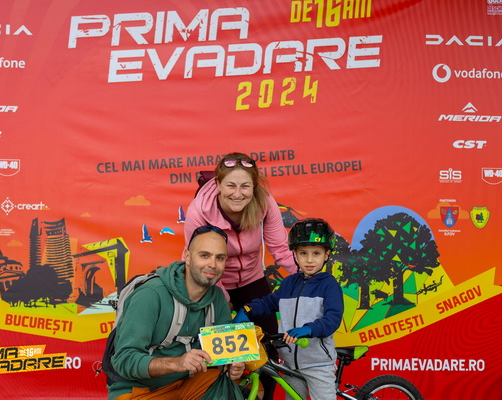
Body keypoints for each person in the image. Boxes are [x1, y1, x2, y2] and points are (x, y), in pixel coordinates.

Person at [184, 152, 297, 399]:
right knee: (219, 356)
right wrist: (223, 300)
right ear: (218, 184)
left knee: (266, 349)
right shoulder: (199, 211)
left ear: (254, 186)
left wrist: (310, 279)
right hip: (214, 283)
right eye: (231, 186)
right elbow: (201, 263)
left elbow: (280, 249)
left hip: (252, 280)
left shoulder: (264, 202)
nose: (238, 194)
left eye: (245, 186)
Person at [109, 225, 245, 400]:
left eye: (220, 258)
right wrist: (177, 363)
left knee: (244, 389)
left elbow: (225, 356)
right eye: (204, 255)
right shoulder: (150, 294)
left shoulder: (218, 298)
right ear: (187, 257)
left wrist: (233, 366)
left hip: (189, 382)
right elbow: (124, 360)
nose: (212, 264)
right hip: (142, 388)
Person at [233, 218, 344, 400]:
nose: (309, 260)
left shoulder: (329, 285)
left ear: (326, 255)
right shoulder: (289, 283)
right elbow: (269, 303)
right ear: (295, 254)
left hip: (318, 365)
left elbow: (332, 319)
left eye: (316, 253)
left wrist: (308, 329)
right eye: (303, 253)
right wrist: (247, 309)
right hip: (290, 363)